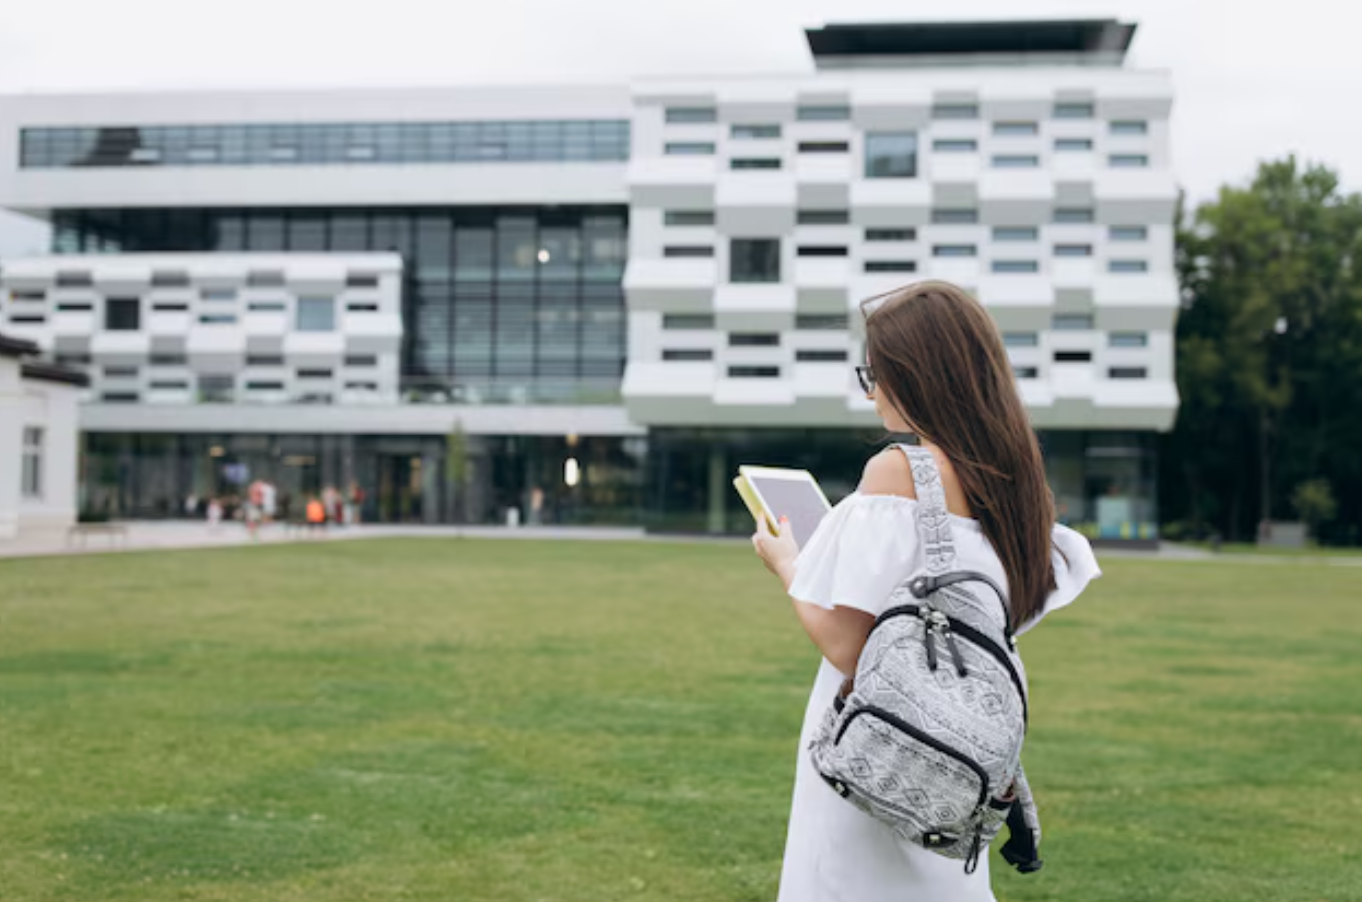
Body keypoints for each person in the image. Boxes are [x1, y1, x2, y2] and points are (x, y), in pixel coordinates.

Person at [751, 281, 1100, 902]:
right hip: (954, 747)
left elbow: (847, 647)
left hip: (879, 738)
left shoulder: (897, 471)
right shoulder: (1019, 491)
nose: (871, 389)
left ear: (918, 374)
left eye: (876, 372)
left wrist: (789, 565)